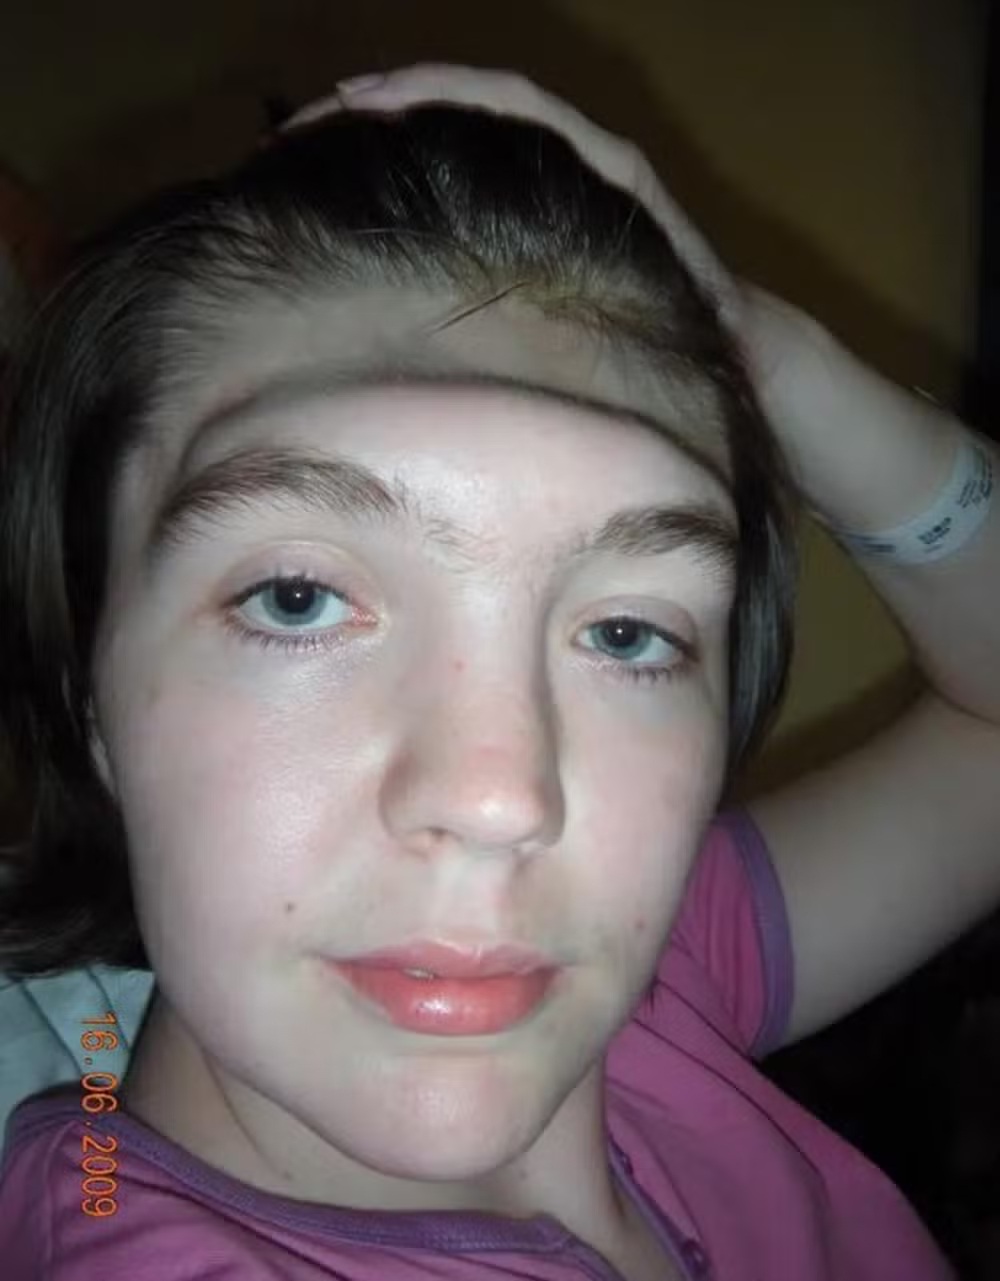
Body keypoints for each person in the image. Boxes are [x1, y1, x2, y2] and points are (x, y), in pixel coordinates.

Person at [0, 60, 996, 1281]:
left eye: (624, 633)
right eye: (298, 598)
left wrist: (761, 355)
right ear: (88, 687)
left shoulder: (658, 986)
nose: (498, 802)